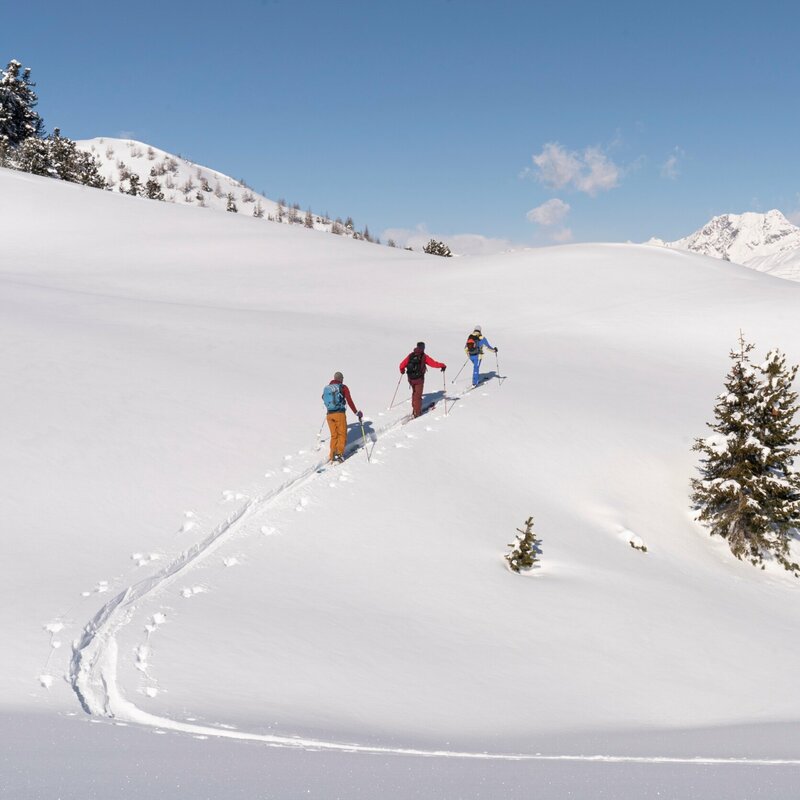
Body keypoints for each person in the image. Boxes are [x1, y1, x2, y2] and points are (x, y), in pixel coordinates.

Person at [322, 371, 362, 463]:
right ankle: (339, 454)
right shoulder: (343, 387)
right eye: (342, 378)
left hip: (329, 415)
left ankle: (332, 455)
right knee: (342, 434)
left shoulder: (328, 388)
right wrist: (356, 412)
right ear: (340, 379)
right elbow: (349, 400)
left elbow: (323, 397)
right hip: (339, 414)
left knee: (334, 435)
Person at [399, 342, 446, 418]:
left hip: (410, 379)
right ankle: (417, 413)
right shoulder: (424, 356)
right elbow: (433, 364)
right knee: (418, 395)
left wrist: (402, 370)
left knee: (414, 392)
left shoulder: (411, 355)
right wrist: (442, 365)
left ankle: (414, 408)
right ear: (423, 348)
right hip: (419, 379)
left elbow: (401, 365)